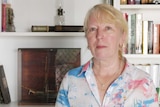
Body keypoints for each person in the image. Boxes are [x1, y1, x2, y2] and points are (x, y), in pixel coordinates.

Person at [55, 4, 159, 107]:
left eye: (108, 28)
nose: (99, 35)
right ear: (87, 37)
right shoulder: (71, 80)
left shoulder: (143, 82)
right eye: (93, 29)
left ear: (122, 37)